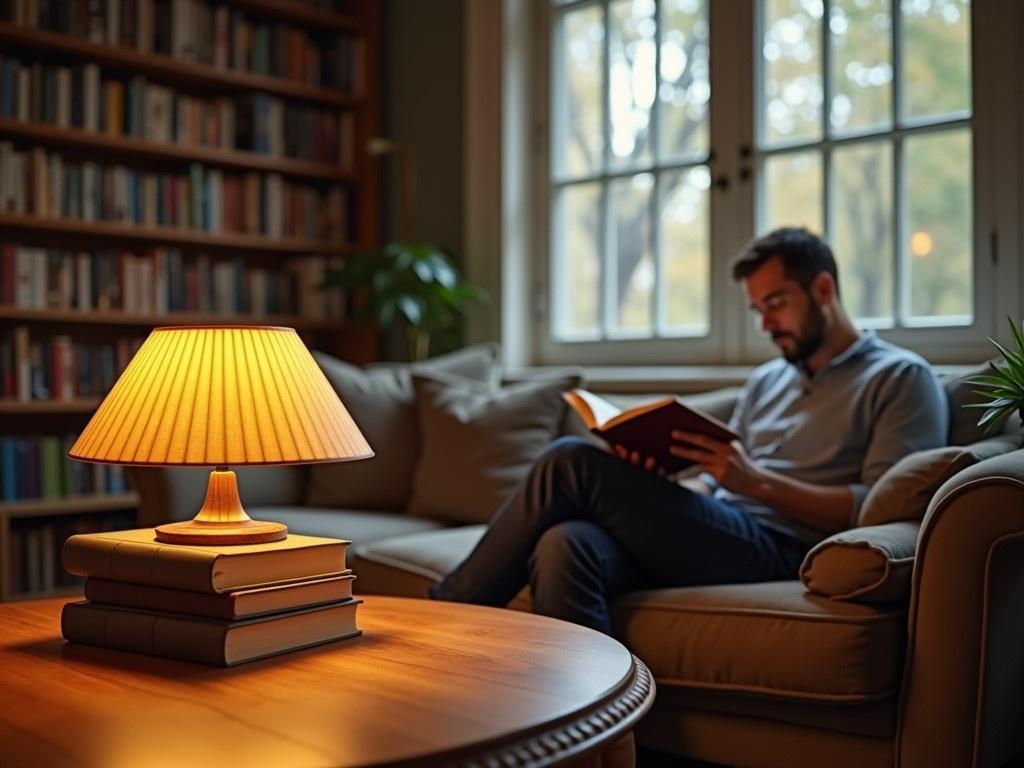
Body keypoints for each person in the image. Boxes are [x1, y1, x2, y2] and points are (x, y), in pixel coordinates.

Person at [427, 227, 948, 634]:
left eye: (776, 303)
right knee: (565, 543)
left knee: (569, 461)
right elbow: (718, 483)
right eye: (756, 309)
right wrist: (666, 485)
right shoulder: (768, 380)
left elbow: (876, 508)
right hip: (722, 529)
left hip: (790, 549)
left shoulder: (901, 378)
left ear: (824, 289)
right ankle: (586, 736)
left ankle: (441, 619)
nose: (766, 324)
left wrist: (760, 484)